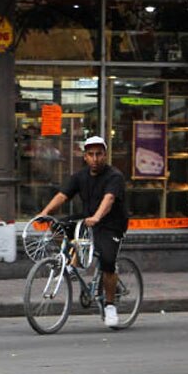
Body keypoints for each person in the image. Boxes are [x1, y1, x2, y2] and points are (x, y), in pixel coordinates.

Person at [37, 135, 129, 328]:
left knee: (107, 261)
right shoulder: (80, 176)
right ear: (85, 156)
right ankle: (75, 262)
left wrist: (96, 217)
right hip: (88, 221)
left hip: (110, 224)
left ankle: (110, 306)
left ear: (105, 155)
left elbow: (109, 199)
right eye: (91, 154)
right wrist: (44, 213)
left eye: (99, 154)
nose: (95, 158)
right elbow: (63, 195)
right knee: (57, 226)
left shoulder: (114, 176)